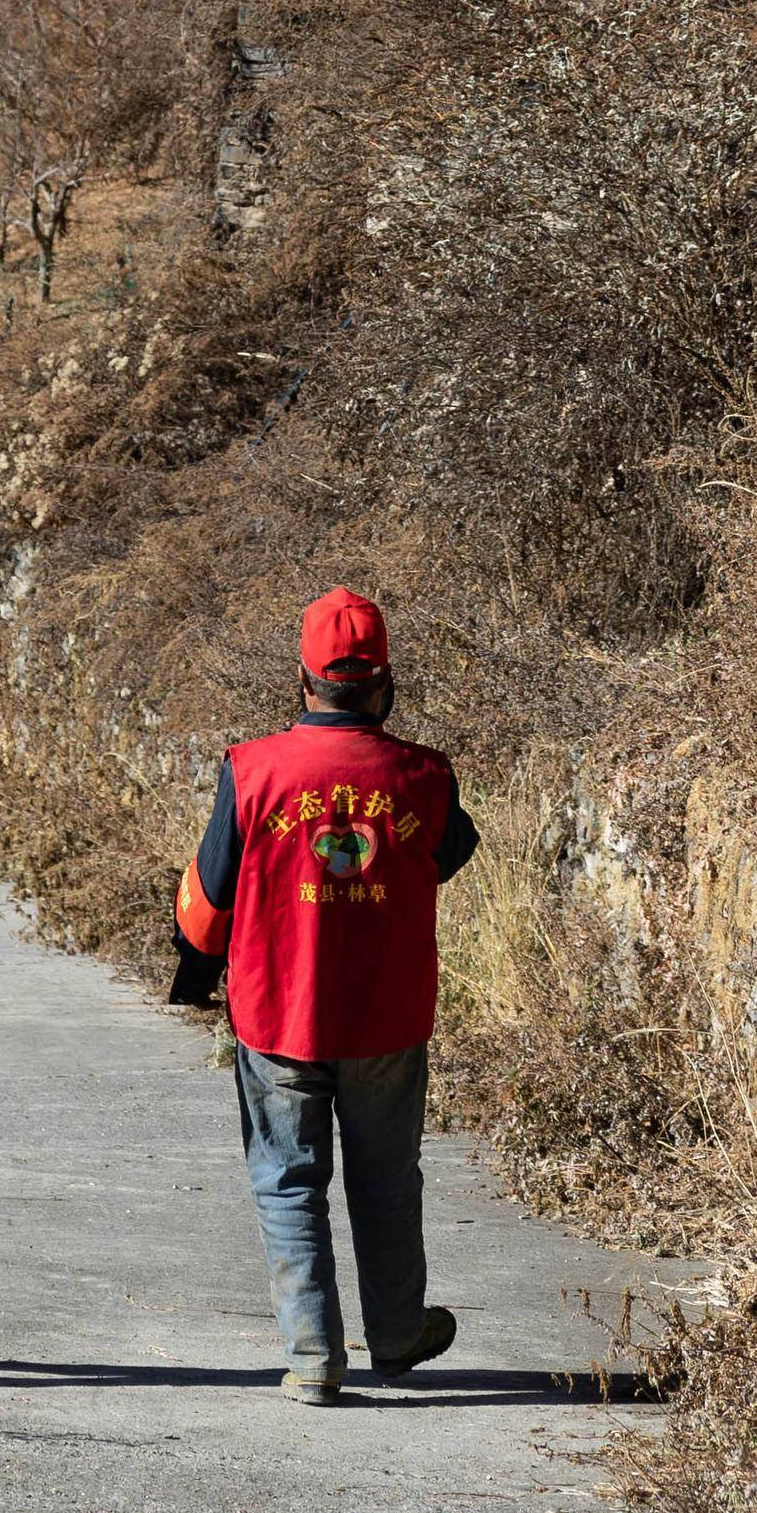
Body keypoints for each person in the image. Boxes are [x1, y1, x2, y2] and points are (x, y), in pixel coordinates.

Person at [167, 584, 480, 1403]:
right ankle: (399, 1331)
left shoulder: (253, 770)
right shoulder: (423, 775)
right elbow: (447, 854)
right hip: (387, 1016)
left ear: (302, 679)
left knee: (288, 1179)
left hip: (279, 1014)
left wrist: (196, 969)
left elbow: (210, 893)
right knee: (387, 1176)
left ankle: (313, 1357)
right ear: (385, 683)